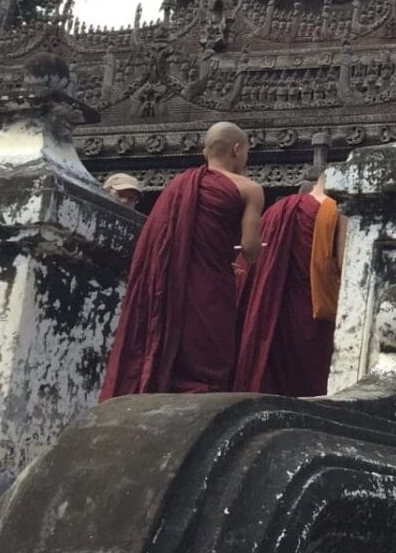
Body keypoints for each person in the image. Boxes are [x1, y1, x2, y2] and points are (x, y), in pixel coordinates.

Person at [100, 122, 264, 399]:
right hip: (212, 284)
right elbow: (250, 250)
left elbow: (156, 244)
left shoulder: (177, 186)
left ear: (205, 151)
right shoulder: (249, 188)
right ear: (237, 150)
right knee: (209, 355)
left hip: (170, 283)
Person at [233, 175, 344, 397]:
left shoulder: (277, 212)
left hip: (271, 310)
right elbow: (344, 263)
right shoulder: (335, 211)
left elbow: (251, 265)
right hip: (316, 309)